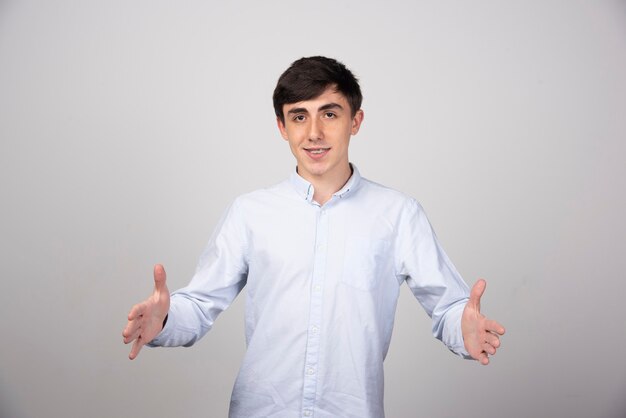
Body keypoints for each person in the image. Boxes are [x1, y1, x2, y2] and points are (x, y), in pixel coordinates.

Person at [122, 56, 505, 418]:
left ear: (355, 121)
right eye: (299, 116)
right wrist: (166, 319)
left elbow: (450, 307)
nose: (314, 133)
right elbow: (200, 304)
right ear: (281, 127)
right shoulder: (250, 213)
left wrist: (463, 330)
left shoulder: (399, 215)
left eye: (330, 114)